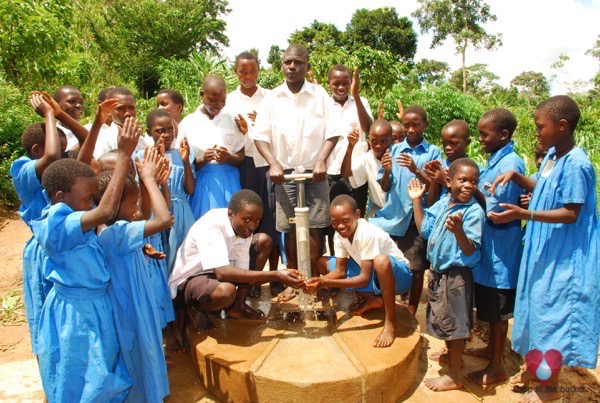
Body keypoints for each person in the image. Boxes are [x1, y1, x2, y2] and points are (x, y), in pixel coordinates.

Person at [488, 95, 599, 403]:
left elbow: (571, 212)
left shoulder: (577, 164)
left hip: (564, 259)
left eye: (540, 126)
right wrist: (517, 176)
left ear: (562, 126)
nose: (536, 132)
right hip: (544, 252)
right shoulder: (553, 155)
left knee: (552, 323)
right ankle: (536, 373)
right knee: (537, 315)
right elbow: (543, 187)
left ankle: (548, 394)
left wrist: (525, 214)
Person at [31, 116, 141, 401]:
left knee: (101, 367)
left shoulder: (69, 211)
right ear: (60, 196)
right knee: (80, 373)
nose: (92, 203)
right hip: (76, 313)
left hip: (93, 305)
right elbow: (105, 212)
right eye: (88, 198)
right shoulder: (58, 226)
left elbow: (78, 175)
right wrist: (124, 156)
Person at [252, 44, 340, 293]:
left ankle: (314, 283)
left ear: (306, 66)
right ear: (282, 65)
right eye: (288, 62)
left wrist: (322, 159)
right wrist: (273, 163)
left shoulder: (320, 95)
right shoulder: (272, 98)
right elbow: (260, 136)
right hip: (285, 175)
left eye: (298, 62)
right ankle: (294, 283)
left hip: (315, 172)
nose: (292, 66)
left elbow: (333, 132)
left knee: (314, 227)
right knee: (290, 228)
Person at [168, 189, 305, 335]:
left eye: (257, 220)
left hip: (214, 276)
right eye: (247, 219)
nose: (252, 226)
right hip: (189, 281)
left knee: (264, 240)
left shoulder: (243, 229)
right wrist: (276, 275)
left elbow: (243, 270)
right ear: (230, 214)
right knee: (227, 291)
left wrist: (269, 277)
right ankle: (196, 308)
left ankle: (237, 306)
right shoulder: (211, 225)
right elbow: (222, 273)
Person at [96, 147, 172, 402]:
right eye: (132, 203)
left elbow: (145, 215)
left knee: (144, 350)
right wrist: (150, 181)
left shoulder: (113, 228)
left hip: (133, 300)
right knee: (139, 352)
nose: (136, 208)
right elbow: (162, 219)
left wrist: (143, 181)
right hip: (130, 305)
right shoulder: (116, 233)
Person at [457, 108, 526, 386]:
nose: (480, 139)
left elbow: (498, 210)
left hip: (500, 252)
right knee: (488, 307)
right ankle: (490, 351)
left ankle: (497, 365)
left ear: (503, 134)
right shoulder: (493, 161)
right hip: (488, 252)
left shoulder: (512, 164)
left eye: (485, 134)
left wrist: (469, 193)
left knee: (498, 314)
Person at [409, 157, 485, 392]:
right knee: (445, 319)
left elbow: (471, 249)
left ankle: (454, 375)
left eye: (474, 181)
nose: (469, 185)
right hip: (440, 273)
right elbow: (424, 229)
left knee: (455, 326)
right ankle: (454, 358)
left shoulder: (473, 212)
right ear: (449, 181)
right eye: (463, 180)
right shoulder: (444, 203)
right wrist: (417, 201)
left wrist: (459, 231)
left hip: (457, 276)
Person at [305, 195, 412, 348]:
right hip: (371, 274)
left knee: (381, 261)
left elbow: (364, 278)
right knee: (323, 263)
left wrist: (325, 281)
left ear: (357, 215)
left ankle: (390, 322)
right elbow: (340, 270)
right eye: (335, 222)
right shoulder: (339, 234)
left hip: (398, 277)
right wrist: (316, 281)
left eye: (345, 220)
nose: (340, 226)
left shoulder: (368, 233)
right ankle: (372, 299)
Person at [370, 105, 442, 315]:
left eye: (416, 125)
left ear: (425, 125)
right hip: (394, 217)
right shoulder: (393, 150)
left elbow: (434, 185)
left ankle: (411, 310)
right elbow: (384, 187)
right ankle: (384, 302)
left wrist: (415, 169)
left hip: (417, 218)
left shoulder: (433, 152)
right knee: (385, 262)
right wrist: (388, 171)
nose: (411, 130)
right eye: (407, 125)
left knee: (417, 267)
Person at [10, 92, 65, 355]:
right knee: (47, 318)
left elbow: (82, 146)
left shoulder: (60, 169)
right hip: (43, 250)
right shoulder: (22, 170)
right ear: (36, 151)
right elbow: (53, 157)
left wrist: (59, 115)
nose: (62, 154)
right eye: (55, 144)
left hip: (64, 247)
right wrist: (50, 115)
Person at [226, 51, 283, 297]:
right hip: (245, 163)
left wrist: (259, 123)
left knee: (272, 217)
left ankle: (275, 276)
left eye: (252, 71)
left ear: (259, 70)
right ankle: (252, 277)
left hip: (270, 162)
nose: (247, 76)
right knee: (248, 218)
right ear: (236, 72)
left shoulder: (271, 97)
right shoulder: (228, 101)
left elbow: (280, 126)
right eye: (242, 71)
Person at [176, 74, 247, 220]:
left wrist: (229, 157)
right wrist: (202, 160)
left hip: (229, 181)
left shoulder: (232, 120)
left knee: (231, 223)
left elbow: (240, 157)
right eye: (213, 100)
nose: (218, 105)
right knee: (204, 222)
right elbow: (183, 162)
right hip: (202, 183)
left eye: (223, 101)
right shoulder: (189, 123)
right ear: (202, 95)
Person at [341, 119, 393, 219]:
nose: (378, 145)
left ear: (391, 140)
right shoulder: (367, 158)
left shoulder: (398, 156)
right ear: (369, 141)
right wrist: (350, 147)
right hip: (380, 211)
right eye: (374, 141)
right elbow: (346, 173)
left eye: (383, 141)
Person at [423, 119, 471, 206]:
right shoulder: (441, 166)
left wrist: (445, 181)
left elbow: (473, 200)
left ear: (467, 142)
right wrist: (434, 180)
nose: (448, 147)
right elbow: (431, 204)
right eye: (444, 144)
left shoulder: (473, 170)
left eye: (453, 143)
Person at [93, 87, 147, 159]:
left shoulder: (140, 139)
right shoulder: (104, 140)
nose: (127, 113)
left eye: (131, 108)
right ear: (110, 110)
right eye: (120, 108)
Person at [52, 85, 84, 150]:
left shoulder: (87, 129)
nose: (78, 105)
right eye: (72, 101)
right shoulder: (52, 136)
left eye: (81, 102)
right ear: (55, 104)